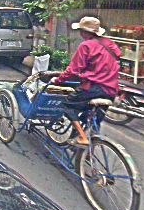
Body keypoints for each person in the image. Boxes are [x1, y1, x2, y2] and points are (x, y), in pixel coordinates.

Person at [51, 17, 120, 147]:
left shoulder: (86, 45)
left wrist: (59, 80)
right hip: (111, 90)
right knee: (93, 118)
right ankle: (90, 147)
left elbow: (73, 70)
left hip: (93, 88)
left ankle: (83, 137)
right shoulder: (110, 44)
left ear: (84, 32)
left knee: (67, 105)